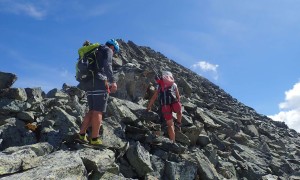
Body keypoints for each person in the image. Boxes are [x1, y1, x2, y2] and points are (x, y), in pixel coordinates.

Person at [76, 39, 120, 145]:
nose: (114, 53)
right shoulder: (108, 50)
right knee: (98, 111)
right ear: (113, 47)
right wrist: (113, 81)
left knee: (91, 110)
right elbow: (107, 65)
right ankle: (94, 139)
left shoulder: (95, 50)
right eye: (115, 52)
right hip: (99, 82)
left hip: (88, 82)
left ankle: (81, 134)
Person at [146, 71, 182, 142]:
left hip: (165, 106)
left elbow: (154, 97)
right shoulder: (174, 84)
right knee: (179, 111)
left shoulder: (160, 85)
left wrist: (149, 107)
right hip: (174, 103)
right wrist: (178, 103)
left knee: (170, 125)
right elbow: (178, 97)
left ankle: (173, 142)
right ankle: (178, 124)